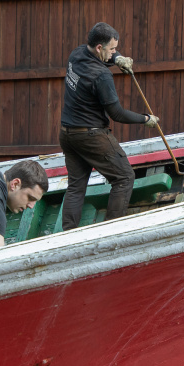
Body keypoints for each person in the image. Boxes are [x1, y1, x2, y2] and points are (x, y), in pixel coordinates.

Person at [59, 22, 159, 231]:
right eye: (112, 49)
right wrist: (145, 119)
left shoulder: (76, 54)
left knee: (76, 187)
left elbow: (105, 57)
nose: (114, 52)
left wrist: (118, 59)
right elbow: (117, 114)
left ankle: (67, 236)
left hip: (68, 134)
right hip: (91, 135)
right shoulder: (102, 75)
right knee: (124, 177)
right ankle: (110, 233)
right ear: (99, 47)